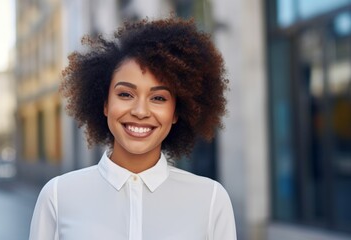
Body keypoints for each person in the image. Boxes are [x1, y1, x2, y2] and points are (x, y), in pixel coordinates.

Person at [29, 17, 236, 240]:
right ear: (105, 103)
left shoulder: (211, 199)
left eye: (158, 97)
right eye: (125, 94)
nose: (140, 111)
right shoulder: (58, 197)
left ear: (176, 112)